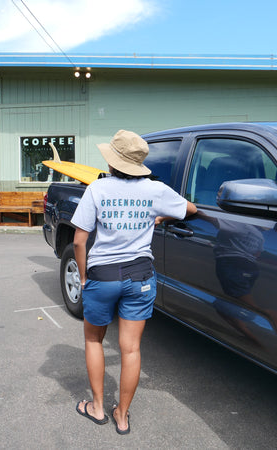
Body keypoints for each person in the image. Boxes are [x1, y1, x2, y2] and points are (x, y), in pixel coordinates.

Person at [71, 130, 197, 434]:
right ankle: (123, 416)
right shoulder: (155, 190)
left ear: (112, 161)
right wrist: (161, 218)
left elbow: (79, 240)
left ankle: (98, 407)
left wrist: (84, 275)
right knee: (130, 350)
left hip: (103, 276)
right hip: (140, 275)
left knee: (93, 340)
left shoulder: (98, 189)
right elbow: (191, 210)